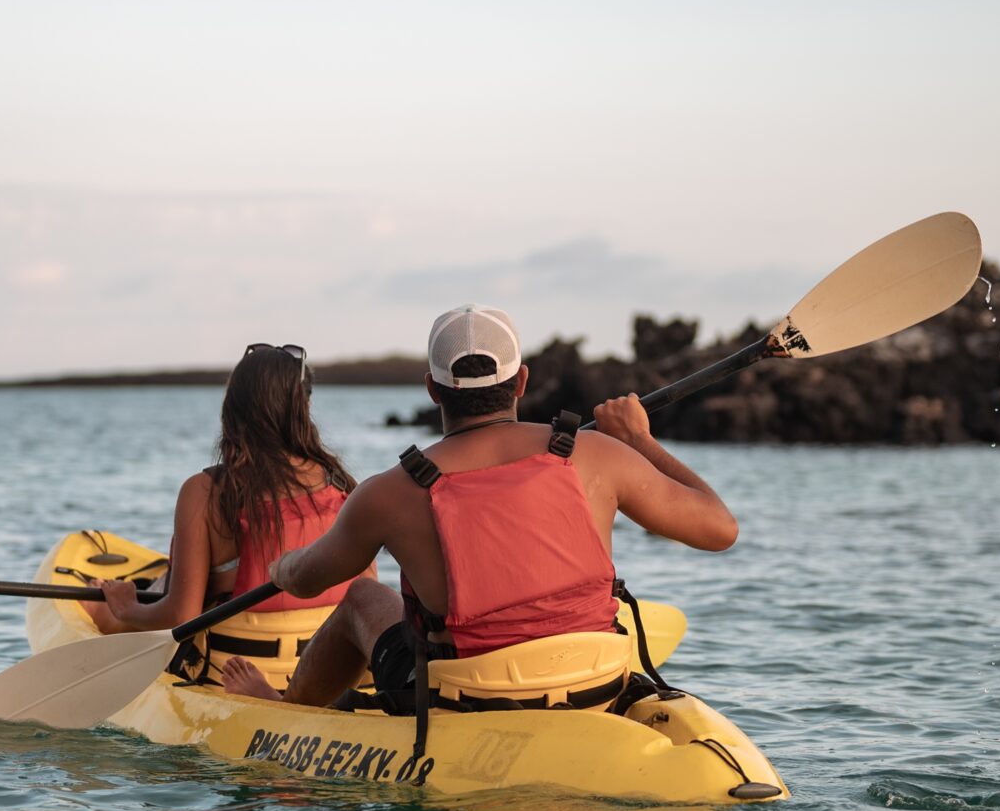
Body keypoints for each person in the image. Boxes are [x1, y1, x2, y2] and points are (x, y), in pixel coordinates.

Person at [223, 304, 736, 712]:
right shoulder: (594, 454)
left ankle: (286, 706)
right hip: (591, 679)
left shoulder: (388, 492)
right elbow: (720, 530)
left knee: (362, 596)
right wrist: (640, 440)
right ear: (521, 382)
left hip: (470, 695)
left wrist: (281, 566)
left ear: (431, 389)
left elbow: (310, 579)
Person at [90, 342, 377, 689]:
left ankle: (107, 607)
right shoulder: (345, 486)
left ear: (234, 409)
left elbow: (181, 618)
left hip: (232, 675)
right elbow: (366, 594)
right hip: (328, 676)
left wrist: (127, 608)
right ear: (304, 407)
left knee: (102, 611)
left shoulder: (206, 493)